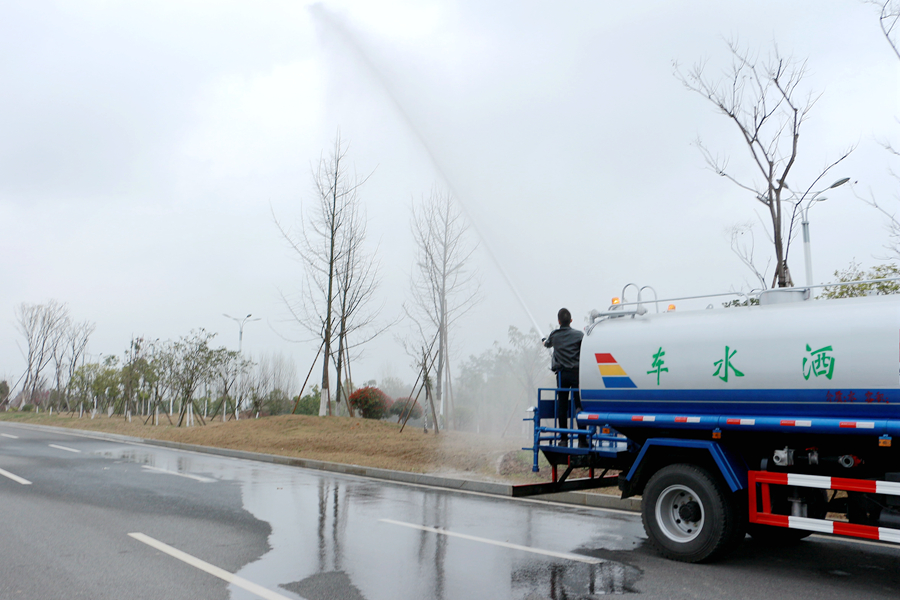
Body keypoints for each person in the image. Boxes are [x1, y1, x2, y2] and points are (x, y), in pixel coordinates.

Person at [543, 308, 585, 447]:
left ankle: (563, 439)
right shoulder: (579, 335)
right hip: (576, 374)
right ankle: (583, 440)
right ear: (571, 321)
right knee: (579, 405)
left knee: (562, 406)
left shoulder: (554, 335)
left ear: (559, 321)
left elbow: (547, 344)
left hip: (562, 376)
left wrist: (544, 341)